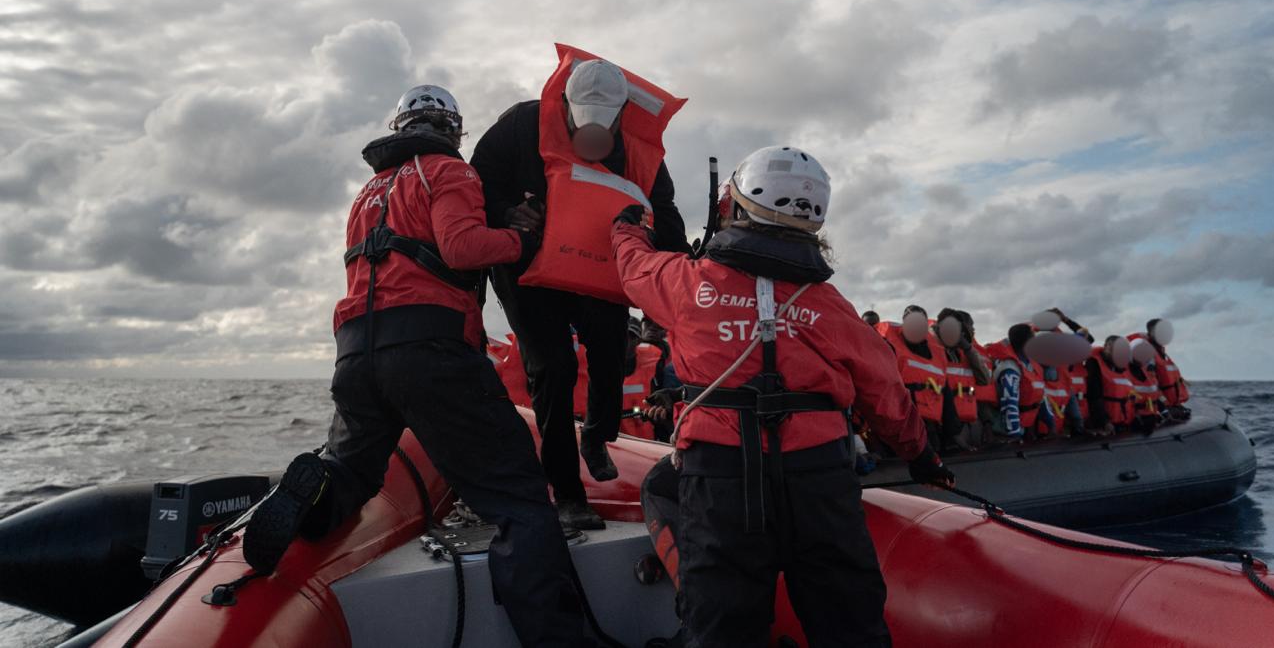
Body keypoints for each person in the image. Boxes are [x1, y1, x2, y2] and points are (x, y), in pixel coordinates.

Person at [242, 86, 592, 646]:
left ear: (400, 126)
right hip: (430, 346)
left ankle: (312, 491)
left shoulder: (368, 192)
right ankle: (558, 637)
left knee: (355, 471)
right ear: (452, 131)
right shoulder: (447, 171)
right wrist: (522, 237)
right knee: (519, 497)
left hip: (357, 352)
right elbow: (461, 248)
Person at [613, 145, 954, 648]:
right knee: (851, 625)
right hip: (819, 482)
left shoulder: (691, 286)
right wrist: (921, 456)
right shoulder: (832, 308)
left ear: (735, 204)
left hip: (721, 480)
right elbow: (887, 397)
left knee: (722, 628)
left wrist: (627, 227)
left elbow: (634, 267)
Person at [471, 56, 688, 529]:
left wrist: (656, 237)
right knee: (553, 368)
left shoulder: (637, 150)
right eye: (578, 121)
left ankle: (597, 434)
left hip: (596, 265)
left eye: (601, 124)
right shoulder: (520, 125)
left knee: (613, 348)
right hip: (528, 267)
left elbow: (668, 218)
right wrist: (507, 212)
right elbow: (474, 184)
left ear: (618, 117)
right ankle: (567, 494)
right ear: (564, 106)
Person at [876, 305, 948, 453]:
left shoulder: (936, 351)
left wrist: (952, 427)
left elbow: (944, 390)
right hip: (904, 419)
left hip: (932, 422)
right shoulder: (889, 344)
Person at [934, 307, 992, 450]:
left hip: (968, 424)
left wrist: (968, 348)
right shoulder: (931, 350)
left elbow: (984, 379)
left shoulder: (964, 353)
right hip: (943, 427)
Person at [984, 324, 1046, 441]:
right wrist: (1015, 434)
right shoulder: (1009, 369)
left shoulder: (1030, 365)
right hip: (1008, 431)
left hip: (1027, 426)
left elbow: (1041, 397)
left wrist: (1050, 426)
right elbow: (1009, 405)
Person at [1131, 318, 1191, 416]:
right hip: (1156, 406)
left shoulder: (1160, 352)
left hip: (1169, 403)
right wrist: (1164, 407)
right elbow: (1150, 385)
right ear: (1151, 332)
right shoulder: (1147, 354)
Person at [1083, 336, 1130, 435]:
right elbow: (1094, 396)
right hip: (1104, 422)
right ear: (1105, 346)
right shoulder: (1094, 363)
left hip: (1122, 420)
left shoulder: (1121, 366)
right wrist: (1105, 422)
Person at [1128, 336, 1167, 434]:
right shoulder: (1123, 373)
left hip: (1150, 417)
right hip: (1133, 421)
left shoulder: (1147, 373)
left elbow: (1155, 397)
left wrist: (1164, 411)